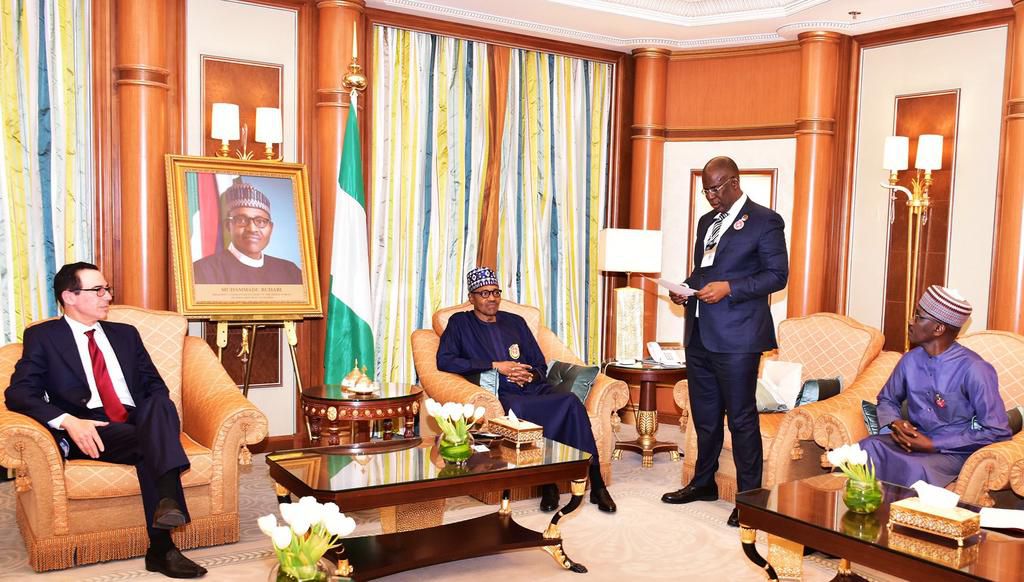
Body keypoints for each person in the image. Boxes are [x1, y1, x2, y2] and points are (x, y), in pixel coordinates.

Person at [5, 263, 207, 578]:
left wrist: (155, 407)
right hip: (92, 427)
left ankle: (164, 524)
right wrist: (68, 421)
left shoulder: (125, 334)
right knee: (151, 444)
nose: (107, 296)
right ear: (69, 296)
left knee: (160, 405)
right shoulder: (43, 337)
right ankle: (162, 547)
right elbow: (18, 394)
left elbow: (154, 384)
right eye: (97, 290)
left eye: (107, 288)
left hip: (139, 416)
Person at [660, 156, 789, 528]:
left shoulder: (765, 220)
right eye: (705, 189)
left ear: (734, 181)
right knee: (705, 417)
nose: (710, 196)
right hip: (700, 333)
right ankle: (703, 484)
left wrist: (730, 288)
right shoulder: (707, 223)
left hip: (738, 336)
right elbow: (705, 270)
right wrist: (685, 289)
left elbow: (776, 276)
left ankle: (750, 500)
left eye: (715, 188)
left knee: (742, 418)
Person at [436, 267, 616, 513]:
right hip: (502, 392)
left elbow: (539, 362)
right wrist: (495, 366)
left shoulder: (515, 322)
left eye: (496, 292)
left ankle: (596, 483)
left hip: (532, 385)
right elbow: (445, 361)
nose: (492, 298)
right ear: (472, 298)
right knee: (519, 410)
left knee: (571, 402)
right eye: (484, 293)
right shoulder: (460, 323)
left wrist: (528, 374)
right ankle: (547, 483)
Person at [860, 286, 1011, 487]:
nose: (910, 321)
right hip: (911, 441)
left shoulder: (975, 369)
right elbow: (887, 399)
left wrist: (934, 444)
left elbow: (997, 430)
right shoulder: (910, 360)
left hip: (951, 452)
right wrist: (895, 422)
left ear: (938, 329)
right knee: (866, 448)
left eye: (918, 317)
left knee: (916, 469)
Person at [192, 177, 302, 285]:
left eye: (260, 221)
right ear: (228, 226)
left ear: (271, 228)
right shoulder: (203, 271)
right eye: (242, 220)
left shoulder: (290, 272)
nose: (252, 229)